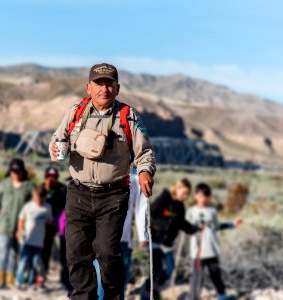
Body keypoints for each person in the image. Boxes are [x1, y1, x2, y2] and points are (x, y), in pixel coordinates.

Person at [49, 63, 156, 299]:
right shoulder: (75, 113)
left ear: (117, 88)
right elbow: (57, 141)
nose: (104, 89)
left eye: (109, 84)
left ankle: (112, 296)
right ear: (89, 87)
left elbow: (144, 152)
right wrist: (58, 149)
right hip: (78, 194)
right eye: (99, 84)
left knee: (107, 253)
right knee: (77, 254)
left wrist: (145, 171)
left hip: (113, 196)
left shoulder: (128, 116)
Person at [94, 168, 148, 300]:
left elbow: (141, 208)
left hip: (124, 237)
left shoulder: (135, 178)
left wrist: (143, 235)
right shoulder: (104, 169)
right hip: (99, 235)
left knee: (120, 280)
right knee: (99, 277)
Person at [142, 178, 200, 300]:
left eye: (187, 194)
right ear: (176, 189)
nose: (185, 196)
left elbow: (182, 223)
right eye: (184, 193)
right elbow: (151, 212)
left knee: (170, 268)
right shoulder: (164, 198)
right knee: (156, 268)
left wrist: (195, 229)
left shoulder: (180, 206)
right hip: (156, 240)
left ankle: (155, 289)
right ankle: (146, 293)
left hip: (168, 244)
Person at [186, 183, 243, 300]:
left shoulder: (212, 211)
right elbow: (185, 227)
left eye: (206, 196)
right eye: (201, 196)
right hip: (197, 251)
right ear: (196, 195)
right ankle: (192, 297)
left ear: (209, 197)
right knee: (197, 277)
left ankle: (222, 295)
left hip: (212, 249)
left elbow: (217, 226)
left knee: (215, 274)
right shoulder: (191, 212)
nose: (203, 199)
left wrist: (232, 224)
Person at [0, 158, 35, 288]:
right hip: (3, 224)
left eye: (18, 171)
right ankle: (0, 278)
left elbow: (34, 205)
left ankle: (10, 278)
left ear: (23, 171)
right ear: (10, 171)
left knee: (14, 252)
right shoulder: (3, 184)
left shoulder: (28, 187)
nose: (16, 173)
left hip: (19, 226)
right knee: (3, 250)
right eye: (13, 170)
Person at [15, 185, 52, 290]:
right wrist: (20, 230)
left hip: (39, 241)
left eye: (39, 198)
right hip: (26, 240)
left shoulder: (47, 207)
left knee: (35, 262)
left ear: (44, 197)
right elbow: (21, 219)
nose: (37, 200)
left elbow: (49, 220)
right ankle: (19, 281)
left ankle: (31, 281)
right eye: (35, 197)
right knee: (23, 261)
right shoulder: (28, 206)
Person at [40, 167, 67, 278]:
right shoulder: (41, 189)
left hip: (61, 221)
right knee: (45, 248)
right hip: (46, 222)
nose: (51, 179)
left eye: (54, 177)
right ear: (45, 177)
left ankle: (64, 275)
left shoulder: (62, 189)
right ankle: (43, 272)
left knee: (64, 249)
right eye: (48, 177)